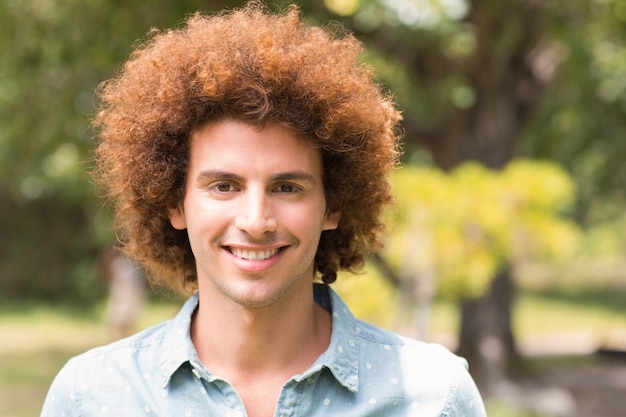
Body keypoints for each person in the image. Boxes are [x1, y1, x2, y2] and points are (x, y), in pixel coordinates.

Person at [41, 3, 487, 416]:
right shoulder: (92, 397)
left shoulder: (432, 396)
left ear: (333, 205)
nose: (256, 221)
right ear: (175, 203)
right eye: (223, 186)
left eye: (288, 187)